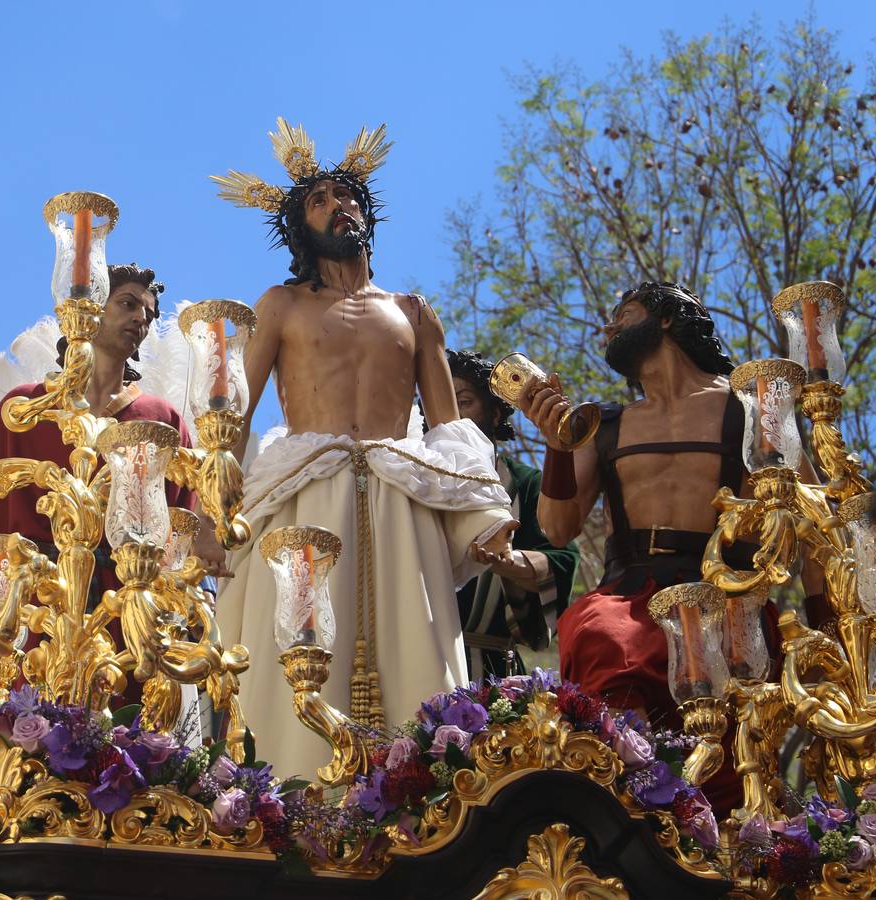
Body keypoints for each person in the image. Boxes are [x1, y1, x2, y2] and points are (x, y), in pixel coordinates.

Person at [211, 120, 515, 778]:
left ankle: (422, 792)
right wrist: (214, 511)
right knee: (293, 650)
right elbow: (234, 412)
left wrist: (485, 518)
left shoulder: (412, 312)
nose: (336, 206)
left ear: (366, 214)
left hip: (400, 502)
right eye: (319, 201)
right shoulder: (281, 305)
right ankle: (290, 794)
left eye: (345, 197)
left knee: (416, 647)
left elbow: (447, 428)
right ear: (300, 225)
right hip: (304, 497)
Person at [519, 281, 791, 810]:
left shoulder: (750, 410)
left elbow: (797, 504)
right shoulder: (607, 425)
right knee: (600, 630)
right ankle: (624, 797)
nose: (610, 326)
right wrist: (556, 445)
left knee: (737, 744)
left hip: (725, 595)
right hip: (631, 593)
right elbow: (556, 528)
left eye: (626, 313)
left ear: (665, 319)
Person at [0, 263, 224, 711]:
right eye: (127, 304)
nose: (140, 318)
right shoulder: (22, 409)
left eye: (148, 312)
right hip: (36, 613)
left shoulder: (162, 422)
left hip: (127, 615)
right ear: (90, 309)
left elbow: (180, 523)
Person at [446, 349, 579, 680]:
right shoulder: (412, 482)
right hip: (419, 660)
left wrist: (509, 563)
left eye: (463, 401)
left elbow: (561, 558)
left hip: (495, 675)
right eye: (440, 402)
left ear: (494, 414)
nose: (450, 415)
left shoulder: (524, 484)